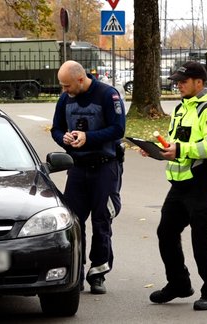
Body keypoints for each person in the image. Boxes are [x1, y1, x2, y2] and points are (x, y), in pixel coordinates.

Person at [143, 61, 207, 310]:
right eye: (177, 82)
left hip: (203, 180)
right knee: (166, 233)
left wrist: (180, 149)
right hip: (180, 182)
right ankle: (179, 284)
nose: (178, 85)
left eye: (182, 82)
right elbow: (177, 141)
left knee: (201, 238)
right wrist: (160, 149)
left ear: (198, 82)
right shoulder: (182, 107)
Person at [51, 60, 126, 294]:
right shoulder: (65, 99)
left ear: (81, 80)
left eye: (67, 86)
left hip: (105, 166)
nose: (64, 91)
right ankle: (77, 272)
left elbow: (118, 129)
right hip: (77, 168)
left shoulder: (107, 95)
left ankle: (98, 273)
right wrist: (62, 137)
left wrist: (88, 137)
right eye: (62, 86)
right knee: (73, 221)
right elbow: (55, 128)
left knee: (102, 219)